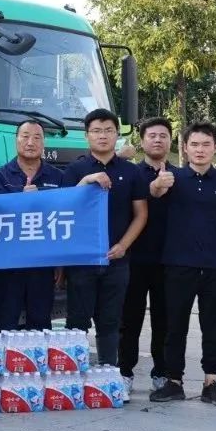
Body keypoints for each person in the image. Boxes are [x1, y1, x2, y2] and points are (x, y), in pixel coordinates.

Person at [148, 122, 216, 406]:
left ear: (215, 147)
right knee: (174, 326)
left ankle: (211, 383)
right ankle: (173, 381)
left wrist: (206, 240)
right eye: (195, 145)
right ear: (185, 148)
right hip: (178, 265)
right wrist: (157, 185)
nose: (200, 150)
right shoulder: (172, 177)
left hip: (213, 266)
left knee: (212, 327)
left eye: (206, 145)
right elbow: (155, 191)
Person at [62, 108, 148, 371]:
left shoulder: (131, 172)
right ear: (87, 136)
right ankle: (73, 376)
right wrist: (87, 180)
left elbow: (141, 214)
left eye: (109, 130)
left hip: (117, 261)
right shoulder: (75, 170)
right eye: (96, 131)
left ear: (116, 135)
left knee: (110, 321)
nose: (103, 136)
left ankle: (107, 375)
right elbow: (64, 209)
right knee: (77, 322)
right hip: (81, 261)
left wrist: (123, 245)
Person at [0, 120, 63, 330]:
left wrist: (61, 262)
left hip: (43, 262)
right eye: (25, 136)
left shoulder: (58, 177)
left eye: (37, 137)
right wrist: (19, 200)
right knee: (5, 322)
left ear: (43, 143)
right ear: (16, 140)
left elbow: (65, 217)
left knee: (40, 322)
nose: (30, 142)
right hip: (8, 262)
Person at [120, 117, 173, 394]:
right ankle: (124, 372)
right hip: (134, 258)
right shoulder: (130, 174)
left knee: (164, 321)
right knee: (129, 320)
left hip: (168, 261)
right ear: (142, 141)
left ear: (171, 141)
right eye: (152, 135)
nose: (157, 140)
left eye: (163, 135)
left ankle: (161, 373)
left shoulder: (180, 175)